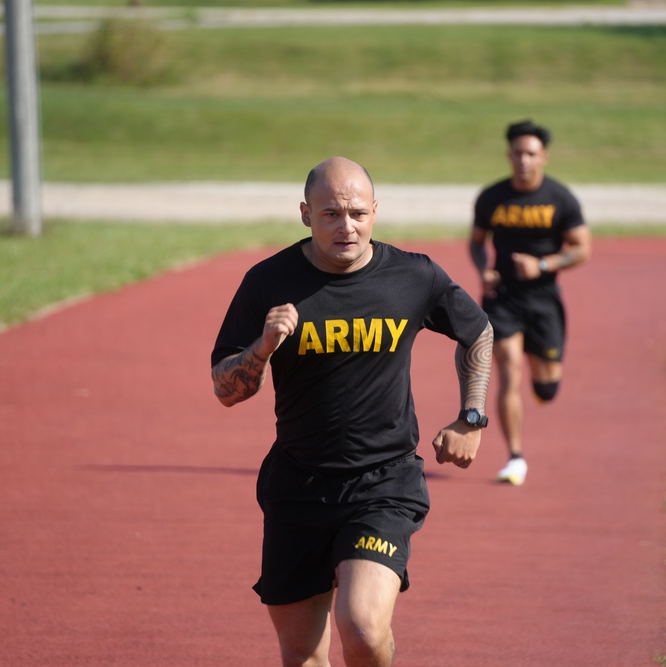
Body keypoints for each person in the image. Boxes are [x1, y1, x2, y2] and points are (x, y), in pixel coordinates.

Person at [211, 156, 494, 667]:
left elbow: (477, 331)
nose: (347, 227)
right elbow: (226, 390)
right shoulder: (268, 282)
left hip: (381, 483)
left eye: (358, 214)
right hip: (297, 485)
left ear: (375, 212)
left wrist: (470, 418)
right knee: (302, 655)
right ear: (305, 214)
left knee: (362, 628)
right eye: (331, 215)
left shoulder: (413, 275)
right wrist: (263, 347)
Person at [469, 120, 592, 486]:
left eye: (531, 154)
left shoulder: (560, 199)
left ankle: (545, 386)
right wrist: (484, 269)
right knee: (509, 371)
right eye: (518, 153)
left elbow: (582, 249)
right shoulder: (492, 197)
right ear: (509, 155)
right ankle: (515, 457)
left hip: (543, 300)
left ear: (544, 157)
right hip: (502, 297)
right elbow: (476, 241)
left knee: (546, 387)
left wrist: (542, 264)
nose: (524, 160)